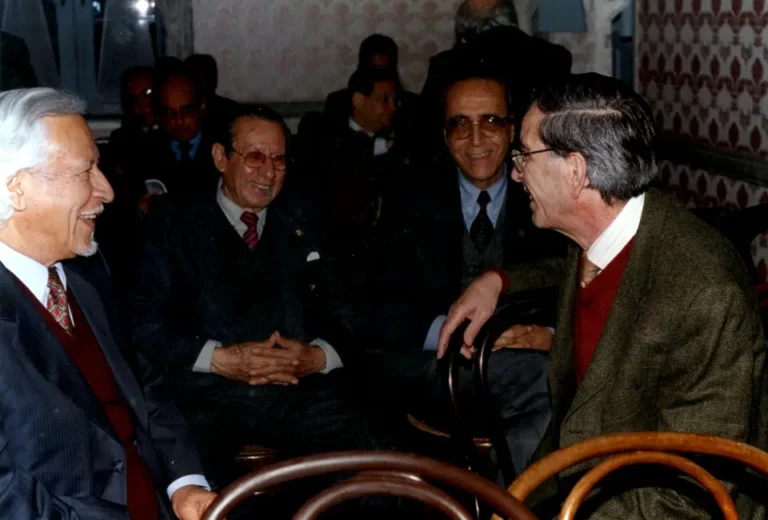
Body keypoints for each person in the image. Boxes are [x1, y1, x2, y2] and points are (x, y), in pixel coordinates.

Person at [438, 73, 768, 518]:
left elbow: (689, 494)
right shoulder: (601, 236)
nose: (515, 173)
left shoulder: (705, 296)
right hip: (582, 479)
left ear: (575, 172)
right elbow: (575, 271)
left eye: (524, 156)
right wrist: (498, 280)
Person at [133, 103, 393, 486]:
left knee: (377, 463)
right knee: (188, 483)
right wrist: (217, 358)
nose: (268, 173)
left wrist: (317, 356)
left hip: (299, 392)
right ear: (221, 157)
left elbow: (352, 311)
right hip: (207, 396)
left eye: (279, 160)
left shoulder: (308, 216)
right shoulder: (172, 222)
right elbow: (144, 323)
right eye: (254, 157)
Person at [0, 88, 216, 519]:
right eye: (87, 170)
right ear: (18, 188)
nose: (108, 191)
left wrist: (185, 483)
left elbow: (142, 387)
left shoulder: (85, 271)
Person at [362, 72, 564, 479]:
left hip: (525, 356)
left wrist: (548, 335)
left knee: (555, 384)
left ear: (513, 131)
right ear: (444, 133)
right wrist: (453, 332)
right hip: (435, 367)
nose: (475, 140)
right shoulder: (408, 196)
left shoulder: (547, 197)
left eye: (490, 121)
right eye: (460, 124)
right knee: (548, 383)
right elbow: (379, 307)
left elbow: (572, 282)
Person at [418, 0, 571, 164]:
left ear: (463, 36)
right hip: (541, 165)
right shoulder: (555, 57)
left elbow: (424, 136)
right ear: (512, 19)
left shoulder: (447, 64)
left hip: (473, 166)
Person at [146, 71, 219, 194]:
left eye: (187, 111)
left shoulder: (223, 147)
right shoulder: (146, 150)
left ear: (202, 106)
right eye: (170, 113)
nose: (179, 121)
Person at [184, 53, 238, 135]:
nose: (204, 84)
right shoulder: (179, 115)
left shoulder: (232, 111)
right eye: (198, 78)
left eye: (208, 78)